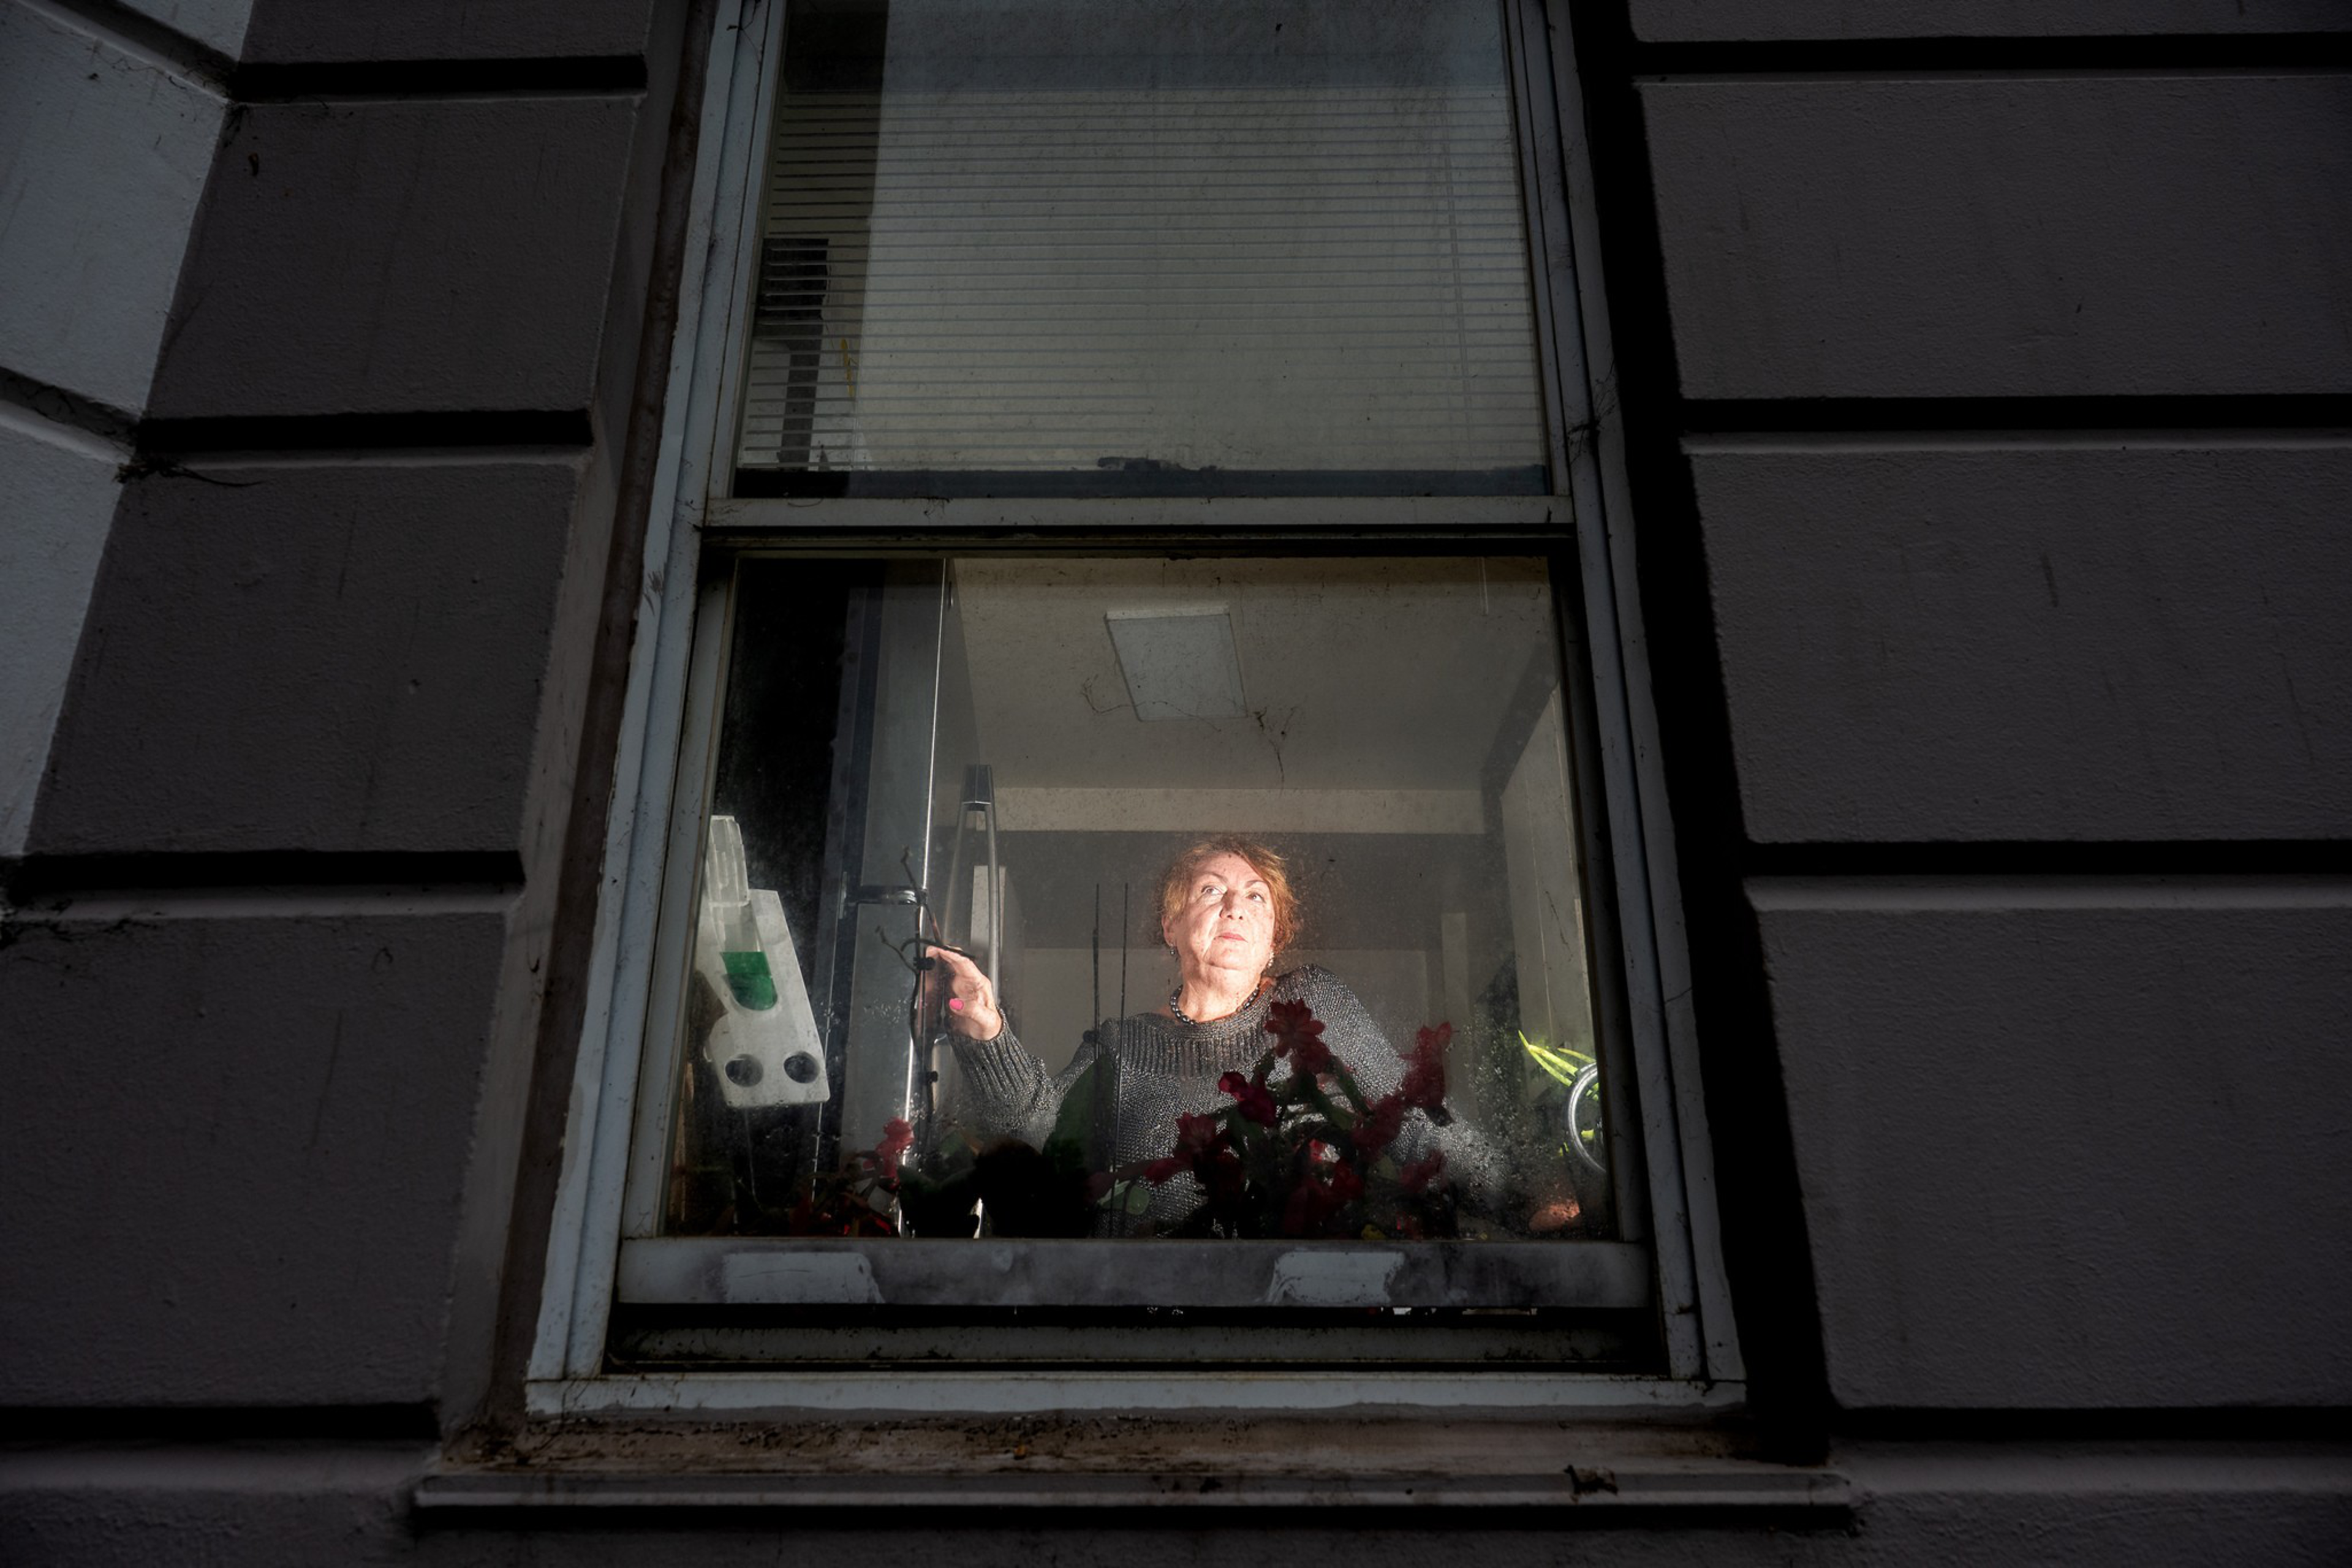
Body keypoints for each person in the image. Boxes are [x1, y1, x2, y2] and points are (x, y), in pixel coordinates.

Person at [930, 834, 1508, 1231]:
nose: (1235, 906)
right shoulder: (1121, 1043)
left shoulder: (1312, 1004)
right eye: (1210, 890)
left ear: (1273, 938)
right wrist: (984, 1027)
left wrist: (1519, 1200)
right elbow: (1036, 1137)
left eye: (1255, 896)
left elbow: (1411, 1125)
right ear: (1170, 926)